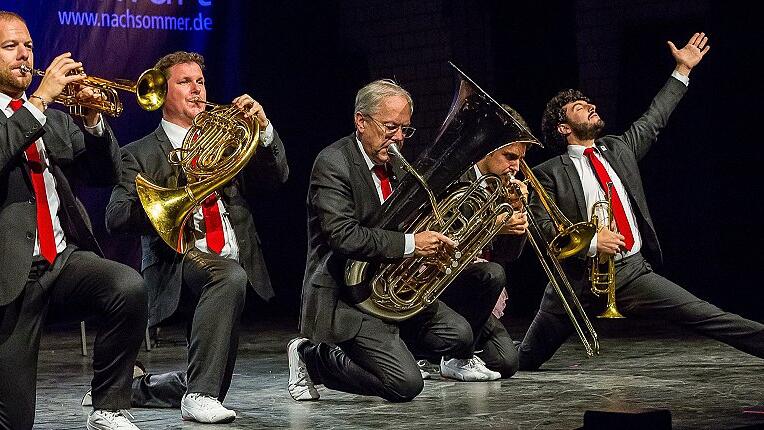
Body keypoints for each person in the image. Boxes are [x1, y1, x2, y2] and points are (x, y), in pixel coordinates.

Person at [519, 32, 764, 370]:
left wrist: (682, 71)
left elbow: (654, 119)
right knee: (523, 361)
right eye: (580, 107)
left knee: (707, 315)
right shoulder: (546, 173)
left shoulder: (618, 149)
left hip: (631, 271)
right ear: (564, 128)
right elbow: (544, 228)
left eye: (590, 103)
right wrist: (591, 241)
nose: (591, 106)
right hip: (575, 281)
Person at [289, 79, 506, 403]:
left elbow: (416, 225)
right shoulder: (334, 162)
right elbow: (342, 235)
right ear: (361, 122)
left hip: (388, 290)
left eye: (405, 129)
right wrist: (412, 245)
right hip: (346, 294)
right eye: (391, 127)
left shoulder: (399, 169)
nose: (399, 138)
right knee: (405, 385)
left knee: (459, 336)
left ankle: (389, 346)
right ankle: (312, 358)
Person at [105, 51, 288, 423]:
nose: (196, 90)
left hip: (233, 257)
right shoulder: (136, 154)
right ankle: (199, 394)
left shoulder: (229, 138)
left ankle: (137, 388)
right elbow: (116, 217)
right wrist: (171, 198)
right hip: (180, 261)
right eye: (184, 82)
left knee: (215, 382)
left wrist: (265, 129)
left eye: (200, 82)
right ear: (161, 93)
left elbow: (277, 177)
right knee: (226, 277)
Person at [0, 10, 146, 430]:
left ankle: (108, 406)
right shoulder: (39, 110)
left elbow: (104, 175)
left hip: (60, 261)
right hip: (11, 277)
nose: (24, 54)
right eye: (10, 46)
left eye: (28, 45)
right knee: (15, 421)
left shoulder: (54, 119)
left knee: (127, 287)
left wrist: (93, 122)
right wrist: (40, 101)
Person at [433, 104, 533, 379]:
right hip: (441, 280)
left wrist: (516, 212)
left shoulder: (499, 186)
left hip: (474, 291)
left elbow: (508, 254)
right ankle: (453, 355)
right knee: (491, 273)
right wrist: (494, 226)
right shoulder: (455, 178)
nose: (516, 167)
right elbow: (448, 239)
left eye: (521, 160)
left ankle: (450, 349)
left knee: (506, 362)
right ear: (487, 149)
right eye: (510, 156)